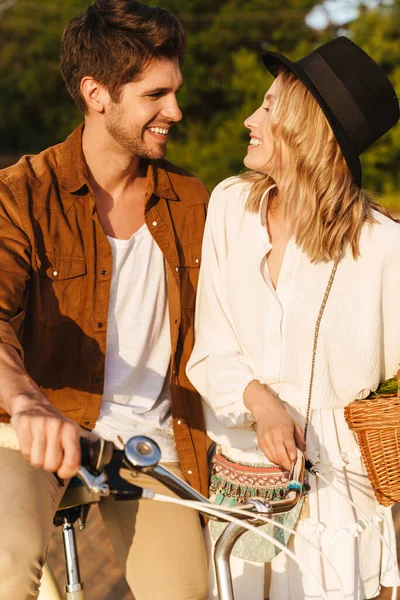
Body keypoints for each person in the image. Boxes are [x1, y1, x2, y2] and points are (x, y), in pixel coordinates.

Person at [0, 1, 209, 599]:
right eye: (155, 95)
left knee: (186, 592)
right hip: (31, 433)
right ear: (97, 94)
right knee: (6, 568)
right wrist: (26, 403)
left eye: (175, 92)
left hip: (149, 444)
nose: (176, 111)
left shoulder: (194, 203)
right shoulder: (19, 196)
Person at [187, 36, 400, 600]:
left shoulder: (383, 247)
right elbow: (210, 346)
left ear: (308, 129)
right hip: (242, 480)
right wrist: (261, 403)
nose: (249, 120)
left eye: (269, 106)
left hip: (338, 491)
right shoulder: (231, 206)